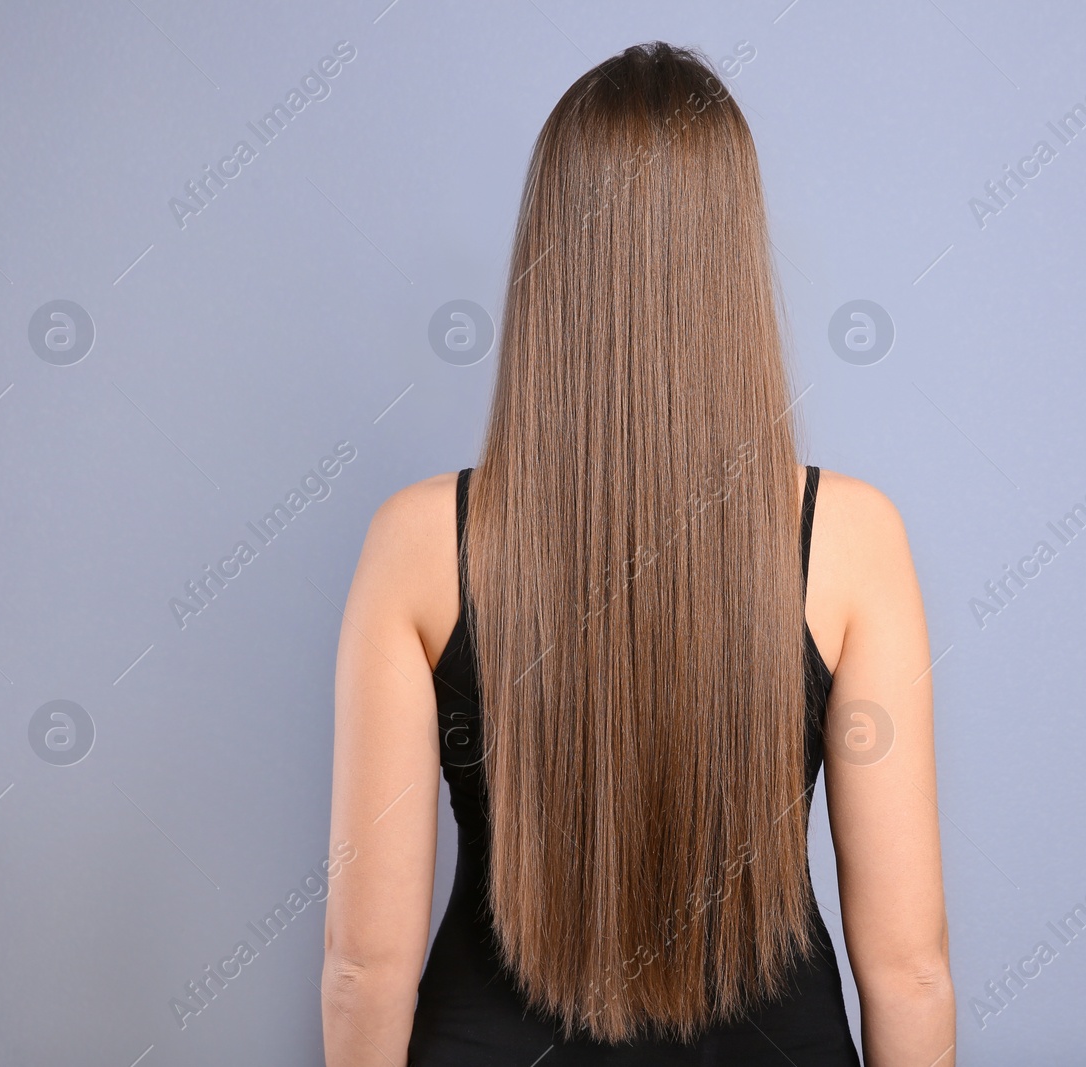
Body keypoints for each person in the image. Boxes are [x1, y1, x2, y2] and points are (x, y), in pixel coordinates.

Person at [321, 41, 953, 1066]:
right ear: (734, 255)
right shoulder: (852, 537)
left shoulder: (418, 543)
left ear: (548, 253)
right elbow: (910, 963)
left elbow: (364, 965)